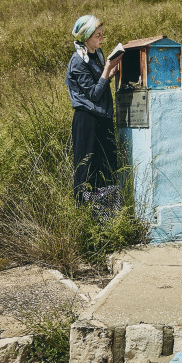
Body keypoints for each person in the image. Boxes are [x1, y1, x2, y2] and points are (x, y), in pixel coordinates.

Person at [65, 15, 123, 220]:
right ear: (86, 37)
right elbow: (93, 94)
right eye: (97, 35)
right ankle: (88, 219)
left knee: (107, 166)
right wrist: (107, 70)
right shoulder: (78, 61)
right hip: (87, 120)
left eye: (101, 35)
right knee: (88, 168)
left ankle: (109, 218)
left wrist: (112, 71)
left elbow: (100, 84)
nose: (101, 39)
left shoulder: (95, 55)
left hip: (102, 118)